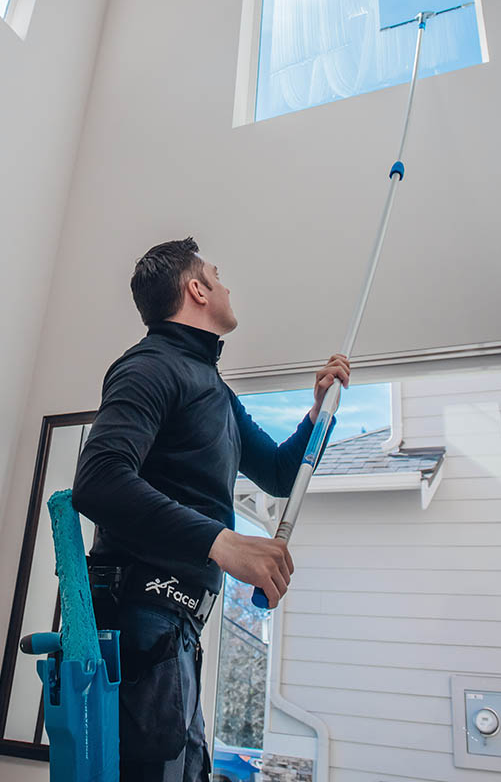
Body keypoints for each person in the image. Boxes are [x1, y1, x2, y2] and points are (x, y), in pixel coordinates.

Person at [72, 237, 350, 782]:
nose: (226, 285)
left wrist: (318, 411)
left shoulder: (215, 392)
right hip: (140, 615)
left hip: (176, 627)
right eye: (217, 275)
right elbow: (99, 481)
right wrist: (223, 542)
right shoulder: (149, 368)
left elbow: (276, 472)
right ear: (197, 290)